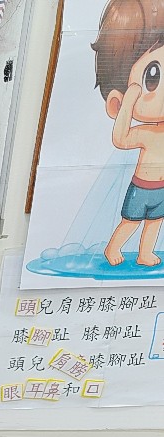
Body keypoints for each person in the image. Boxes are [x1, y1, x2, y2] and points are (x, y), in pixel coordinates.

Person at [94, 0, 164, 266]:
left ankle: (145, 254)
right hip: (142, 186)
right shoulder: (146, 133)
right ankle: (113, 248)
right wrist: (129, 103)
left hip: (161, 188)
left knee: (155, 222)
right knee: (131, 221)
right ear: (117, 102)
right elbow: (121, 139)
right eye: (153, 76)